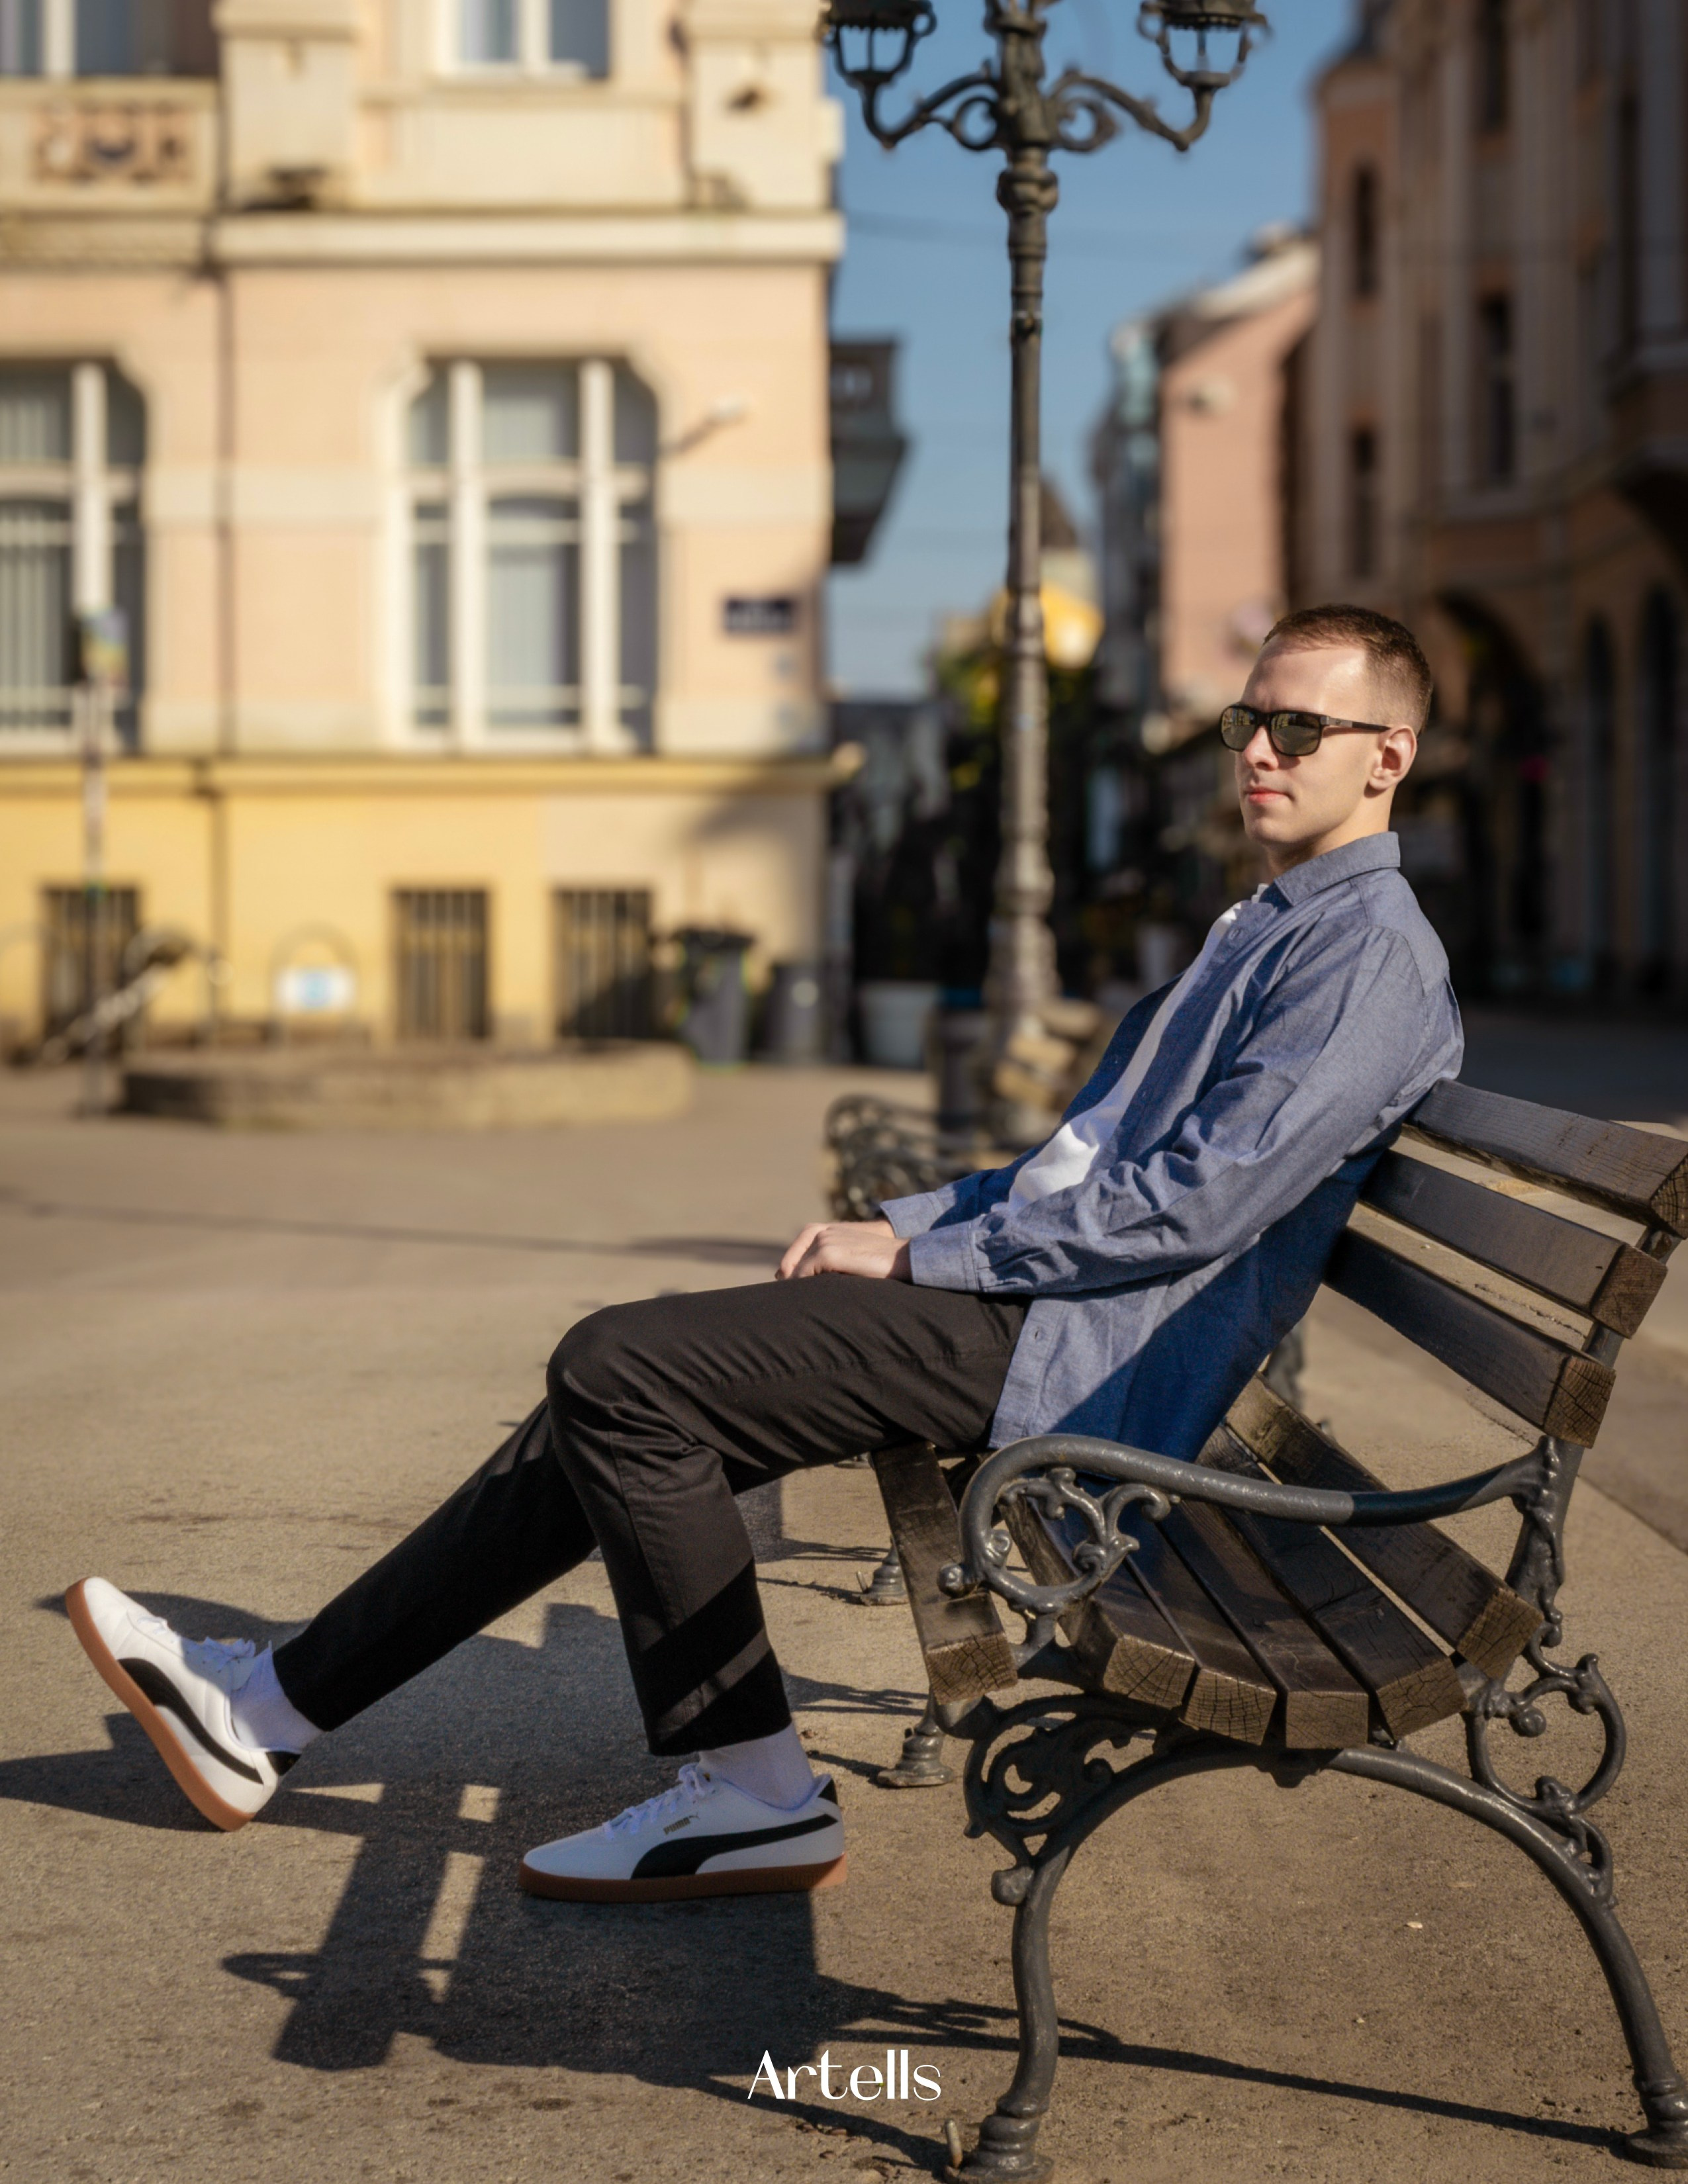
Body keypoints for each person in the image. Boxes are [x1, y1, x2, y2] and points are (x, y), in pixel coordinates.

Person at [68, 604, 1462, 1905]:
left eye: (1300, 731)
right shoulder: (1273, 928)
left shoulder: (1365, 957)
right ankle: (268, 1711)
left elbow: (1193, 1209)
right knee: (606, 1402)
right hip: (1049, 1304)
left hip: (1085, 1358)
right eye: (1247, 725)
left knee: (621, 1371)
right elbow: (1080, 1167)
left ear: (1388, 757)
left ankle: (749, 1785)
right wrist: (908, 1225)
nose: (1260, 754)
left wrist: (930, 1264)